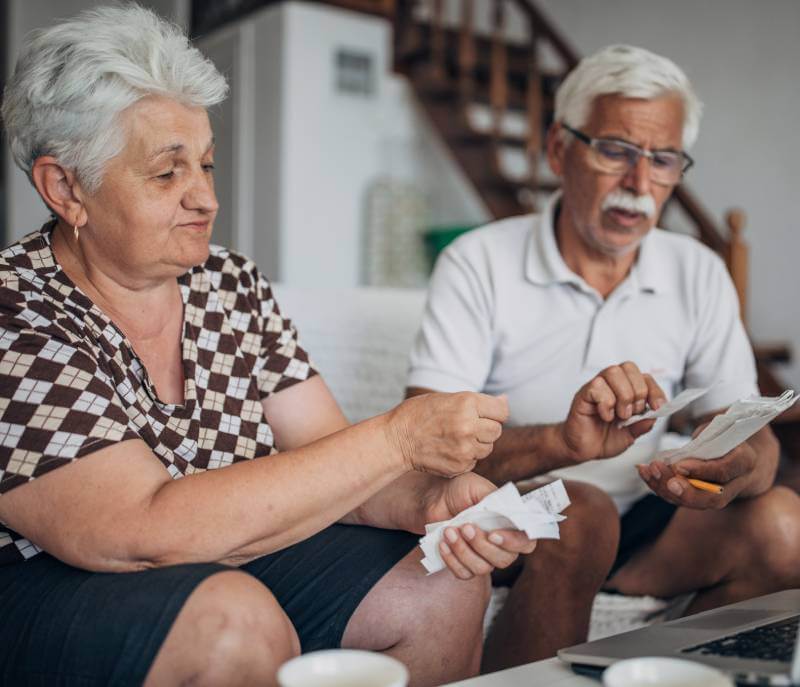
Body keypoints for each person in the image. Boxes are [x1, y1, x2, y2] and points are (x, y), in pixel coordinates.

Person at [0, 6, 539, 686]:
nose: (205, 198)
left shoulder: (229, 282)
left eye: (206, 164)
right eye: (168, 174)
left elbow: (328, 458)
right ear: (65, 187)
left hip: (227, 558)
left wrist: (429, 500)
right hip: (46, 586)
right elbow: (137, 529)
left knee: (438, 581)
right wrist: (397, 439)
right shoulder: (14, 306)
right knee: (235, 620)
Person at [406, 44, 800, 672]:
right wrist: (564, 443)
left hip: (649, 515)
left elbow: (760, 444)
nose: (640, 186)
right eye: (615, 150)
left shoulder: (697, 270)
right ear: (560, 150)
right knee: (580, 511)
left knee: (783, 520)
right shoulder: (478, 261)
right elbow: (416, 448)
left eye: (663, 159)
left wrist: (731, 466)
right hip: (518, 510)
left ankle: (666, 677)